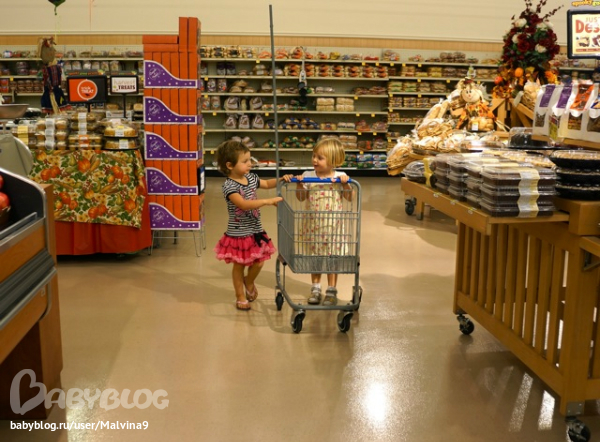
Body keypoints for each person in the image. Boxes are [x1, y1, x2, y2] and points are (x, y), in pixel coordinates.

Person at [282, 138, 353, 306]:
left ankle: (331, 290)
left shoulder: (340, 177)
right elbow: (301, 198)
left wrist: (346, 185)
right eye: (314, 156)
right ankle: (315, 288)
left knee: (332, 258)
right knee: (315, 257)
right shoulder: (308, 176)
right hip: (313, 226)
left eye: (320, 158)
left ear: (333, 161)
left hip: (334, 227)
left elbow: (349, 198)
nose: (314, 160)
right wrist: (300, 184)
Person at [214, 140, 283, 311]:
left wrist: (282, 179)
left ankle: (249, 281)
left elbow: (266, 184)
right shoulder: (229, 186)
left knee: (259, 262)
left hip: (256, 229)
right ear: (230, 165)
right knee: (240, 265)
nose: (250, 164)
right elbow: (243, 204)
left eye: (250, 160)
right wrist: (267, 201)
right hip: (239, 233)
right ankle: (240, 296)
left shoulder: (251, 178)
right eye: (245, 161)